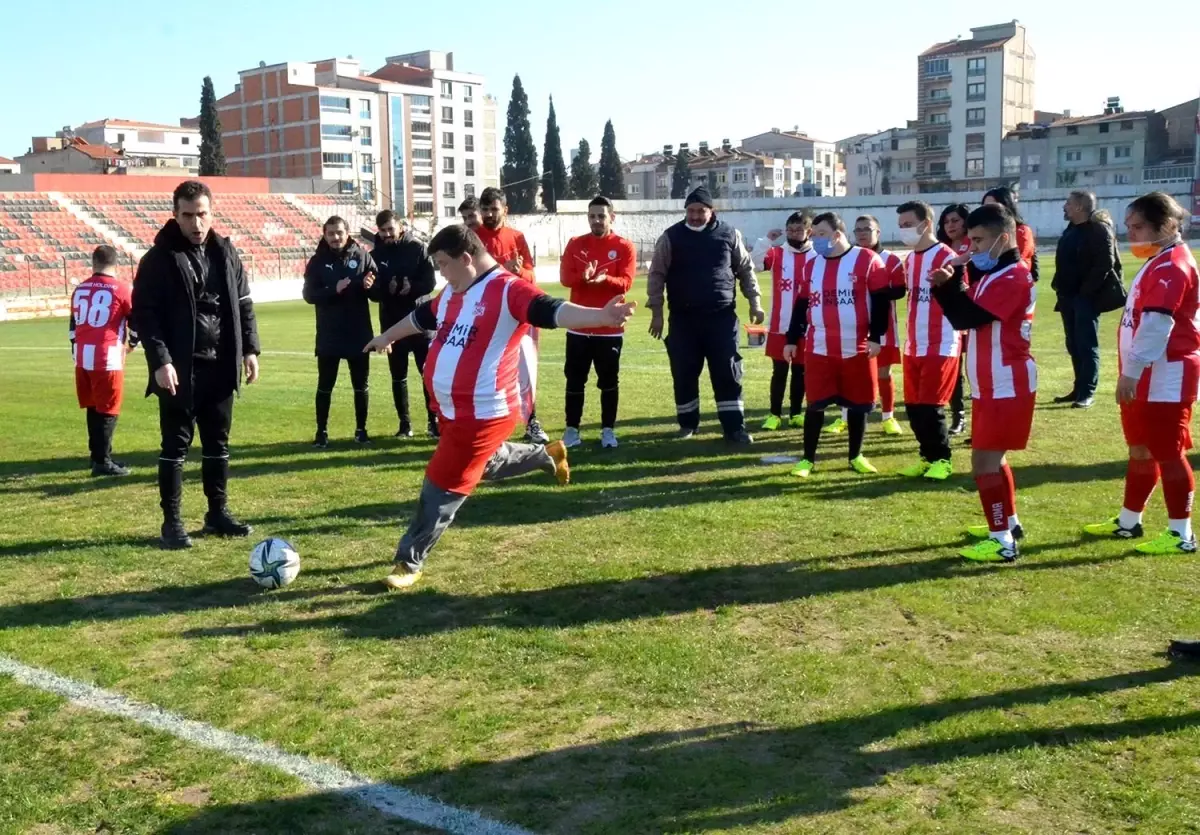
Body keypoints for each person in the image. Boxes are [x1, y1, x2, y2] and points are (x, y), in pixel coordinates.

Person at [363, 225, 637, 589]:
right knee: (486, 464)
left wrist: (600, 317)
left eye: (443, 264)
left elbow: (552, 310)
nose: (441, 273)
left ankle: (409, 561)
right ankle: (547, 455)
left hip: (484, 414)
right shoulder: (453, 291)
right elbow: (420, 317)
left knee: (441, 485)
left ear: (466, 258)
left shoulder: (508, 289)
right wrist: (386, 336)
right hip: (451, 411)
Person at [132, 180, 260, 550]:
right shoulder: (158, 259)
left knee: (218, 442)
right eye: (188, 215)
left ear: (211, 213)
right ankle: (171, 522)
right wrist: (161, 361)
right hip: (179, 369)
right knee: (175, 445)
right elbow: (145, 315)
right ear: (175, 215)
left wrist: (250, 349)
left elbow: (244, 304)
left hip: (221, 365)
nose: (196, 223)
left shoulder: (225, 252)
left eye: (202, 214)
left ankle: (217, 513)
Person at [1083, 192, 1199, 555]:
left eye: (1138, 227)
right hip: (1145, 374)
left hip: (1165, 375)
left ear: (1167, 226)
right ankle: (1129, 521)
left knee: (1168, 452)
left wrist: (1131, 372)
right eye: (1128, 227)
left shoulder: (1171, 265)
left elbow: (1156, 325)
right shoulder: (1158, 260)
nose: (1130, 235)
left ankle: (1181, 534)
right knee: (1140, 449)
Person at [929, 204, 1036, 562]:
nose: (971, 248)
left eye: (978, 240)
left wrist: (945, 286)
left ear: (1003, 238)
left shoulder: (1012, 277)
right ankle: (1008, 524)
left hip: (1006, 382)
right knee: (994, 460)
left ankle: (1001, 541)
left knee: (983, 463)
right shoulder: (996, 272)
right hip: (993, 382)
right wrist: (957, 270)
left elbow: (966, 317)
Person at [782, 212, 898, 477]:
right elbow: (801, 304)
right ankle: (807, 460)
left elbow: (881, 301)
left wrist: (876, 337)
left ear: (837, 235)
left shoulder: (867, 260)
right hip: (819, 347)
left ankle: (855, 456)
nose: (816, 240)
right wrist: (791, 339)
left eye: (821, 234)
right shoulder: (812, 265)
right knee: (815, 404)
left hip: (857, 347)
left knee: (858, 405)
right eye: (814, 235)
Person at [647, 187, 764, 443]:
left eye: (701, 211)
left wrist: (755, 302)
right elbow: (656, 275)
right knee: (684, 372)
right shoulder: (670, 237)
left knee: (727, 371)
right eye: (691, 211)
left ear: (712, 211)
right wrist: (657, 312)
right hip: (683, 320)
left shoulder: (730, 234)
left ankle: (734, 428)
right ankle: (687, 425)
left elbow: (745, 269)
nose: (695, 216)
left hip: (721, 318)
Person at [558, 196, 636, 449]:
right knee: (575, 379)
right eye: (592, 216)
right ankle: (572, 430)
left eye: (601, 216)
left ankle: (608, 431)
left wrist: (606, 279)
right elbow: (565, 279)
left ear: (611, 217)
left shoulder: (624, 247)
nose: (597, 221)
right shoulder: (575, 243)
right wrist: (583, 276)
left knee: (609, 381)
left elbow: (626, 282)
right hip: (579, 325)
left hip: (609, 328)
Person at [895, 201, 962, 481]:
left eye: (909, 225)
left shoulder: (948, 257)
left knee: (931, 407)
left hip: (941, 341)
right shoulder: (910, 260)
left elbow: (962, 297)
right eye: (901, 226)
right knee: (913, 407)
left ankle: (943, 460)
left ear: (926, 224)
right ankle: (926, 457)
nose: (904, 230)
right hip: (914, 343)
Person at [475, 187, 547, 444]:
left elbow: (530, 276)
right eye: (485, 209)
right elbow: (470, 278)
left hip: (518, 315)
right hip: (486, 316)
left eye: (494, 209)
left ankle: (531, 422)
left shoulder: (517, 237)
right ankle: (487, 427)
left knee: (525, 369)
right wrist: (501, 270)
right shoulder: (473, 239)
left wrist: (518, 272)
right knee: (485, 372)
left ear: (505, 210)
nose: (489, 214)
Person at [303, 216, 378, 448]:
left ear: (347, 233)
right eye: (331, 233)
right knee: (325, 385)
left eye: (339, 233)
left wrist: (371, 286)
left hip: (358, 332)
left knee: (361, 385)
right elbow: (309, 295)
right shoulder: (317, 261)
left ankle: (361, 431)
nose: (335, 237)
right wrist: (332, 290)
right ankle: (321, 432)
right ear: (324, 235)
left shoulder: (363, 256)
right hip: (330, 334)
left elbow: (376, 291)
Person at [1052, 189, 1124, 409]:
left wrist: (1086, 292)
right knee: (1073, 344)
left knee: (1086, 345)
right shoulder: (1072, 229)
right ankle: (1078, 388)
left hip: (1085, 298)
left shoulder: (1098, 229)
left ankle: (1087, 392)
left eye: (1068, 203)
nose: (1064, 207)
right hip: (1067, 296)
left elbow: (1105, 263)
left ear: (1079, 207)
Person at [70, 245, 137, 477]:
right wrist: (132, 344)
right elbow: (135, 321)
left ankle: (97, 454)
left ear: (94, 262)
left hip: (82, 356)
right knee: (108, 408)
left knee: (93, 406)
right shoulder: (121, 289)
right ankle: (102, 461)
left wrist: (75, 348)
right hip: (107, 355)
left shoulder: (80, 288)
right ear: (116, 264)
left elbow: (73, 324)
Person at [370, 209, 438, 439]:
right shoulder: (375, 255)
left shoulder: (418, 248)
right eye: (383, 230)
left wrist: (412, 288)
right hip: (392, 324)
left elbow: (430, 282)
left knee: (428, 374)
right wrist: (383, 290)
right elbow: (373, 293)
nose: (388, 234)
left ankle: (433, 422)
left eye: (391, 229)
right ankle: (404, 424)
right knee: (398, 376)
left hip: (421, 324)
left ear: (400, 226)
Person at [754, 211, 814, 431]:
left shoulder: (817, 256)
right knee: (779, 371)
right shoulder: (777, 252)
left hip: (807, 327)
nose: (793, 234)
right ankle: (774, 415)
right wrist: (766, 240)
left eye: (798, 230)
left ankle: (796, 413)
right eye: (790, 230)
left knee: (801, 371)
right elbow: (755, 264)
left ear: (809, 231)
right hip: (780, 325)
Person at [852, 215, 907, 436]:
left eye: (867, 229)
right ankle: (845, 417)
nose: (862, 233)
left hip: (884, 325)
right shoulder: (849, 258)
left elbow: (901, 290)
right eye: (858, 230)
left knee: (884, 372)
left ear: (878, 232)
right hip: (853, 325)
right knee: (852, 373)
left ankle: (888, 416)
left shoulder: (891, 260)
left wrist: (876, 292)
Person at [938, 203, 973, 436]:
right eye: (946, 221)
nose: (950, 225)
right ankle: (958, 416)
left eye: (955, 220)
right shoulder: (941, 248)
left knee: (975, 368)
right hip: (950, 315)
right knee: (955, 368)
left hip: (972, 311)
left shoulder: (975, 243)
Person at [982, 187, 1039, 281]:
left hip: (1013, 282)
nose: (986, 212)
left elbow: (1015, 260)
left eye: (992, 207)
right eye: (984, 207)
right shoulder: (984, 232)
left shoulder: (1021, 231)